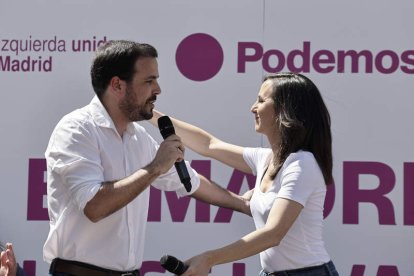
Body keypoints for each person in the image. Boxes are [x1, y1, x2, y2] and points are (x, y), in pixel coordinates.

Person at [43, 40, 250, 276]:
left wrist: (243, 204)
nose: (158, 89)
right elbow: (94, 206)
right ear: (117, 85)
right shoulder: (76, 129)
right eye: (149, 81)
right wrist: (154, 168)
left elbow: (190, 181)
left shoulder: (138, 137)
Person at [150, 73, 339, 275]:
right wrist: (149, 115)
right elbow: (209, 144)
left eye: (261, 100)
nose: (253, 108)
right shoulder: (266, 159)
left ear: (285, 109)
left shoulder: (302, 164)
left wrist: (209, 259)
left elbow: (273, 234)